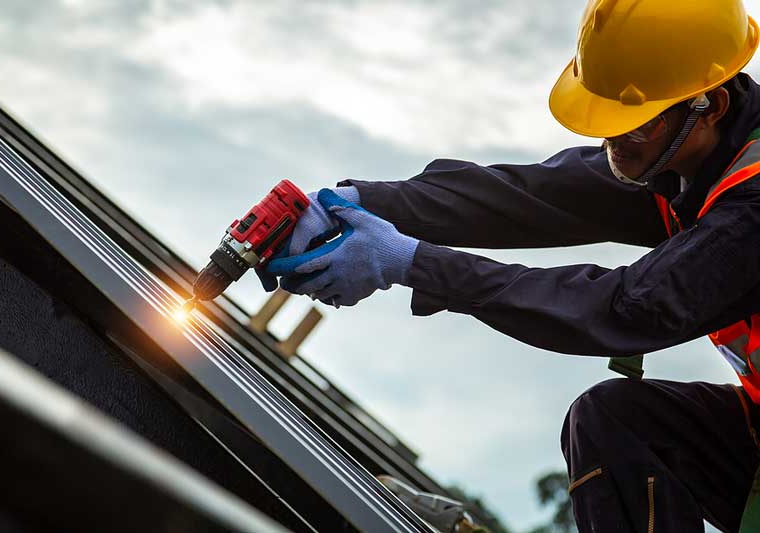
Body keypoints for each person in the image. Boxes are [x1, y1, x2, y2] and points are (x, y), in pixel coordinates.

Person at [260, 1, 760, 531]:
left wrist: (407, 262)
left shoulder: (750, 206)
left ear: (711, 105)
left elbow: (628, 309)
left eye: (633, 126)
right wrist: (353, 201)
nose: (612, 140)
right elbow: (525, 196)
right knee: (614, 421)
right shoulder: (686, 161)